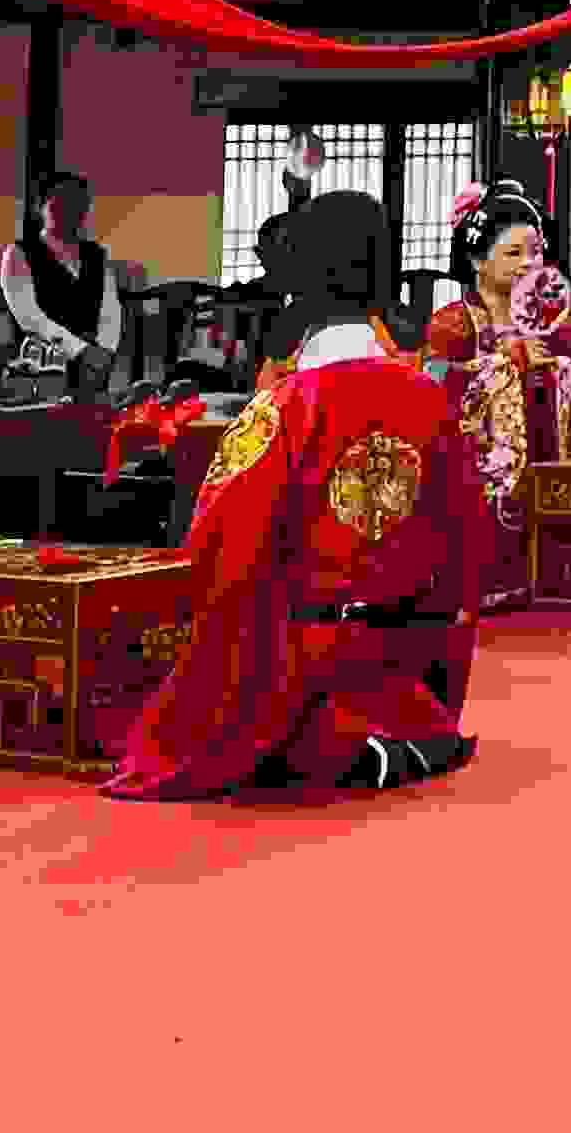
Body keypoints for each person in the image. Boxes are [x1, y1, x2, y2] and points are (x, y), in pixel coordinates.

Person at [106, 194, 496, 801]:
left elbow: (221, 548)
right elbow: (464, 540)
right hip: (402, 655)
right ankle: (396, 732)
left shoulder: (288, 406)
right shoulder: (429, 399)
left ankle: (327, 739)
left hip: (298, 661)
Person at [422, 186, 571, 547]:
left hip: (552, 482)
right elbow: (435, 387)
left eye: (536, 251)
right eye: (513, 253)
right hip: (480, 499)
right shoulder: (452, 326)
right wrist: (510, 363)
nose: (529, 263)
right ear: (478, 261)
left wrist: (564, 368)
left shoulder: (558, 326)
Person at [2, 170, 126, 406]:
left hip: (95, 364)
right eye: (61, 201)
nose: (72, 209)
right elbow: (29, 316)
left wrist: (106, 351)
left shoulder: (98, 254)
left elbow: (111, 309)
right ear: (40, 207)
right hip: (39, 365)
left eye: (80, 202)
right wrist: (80, 351)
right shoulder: (18, 253)